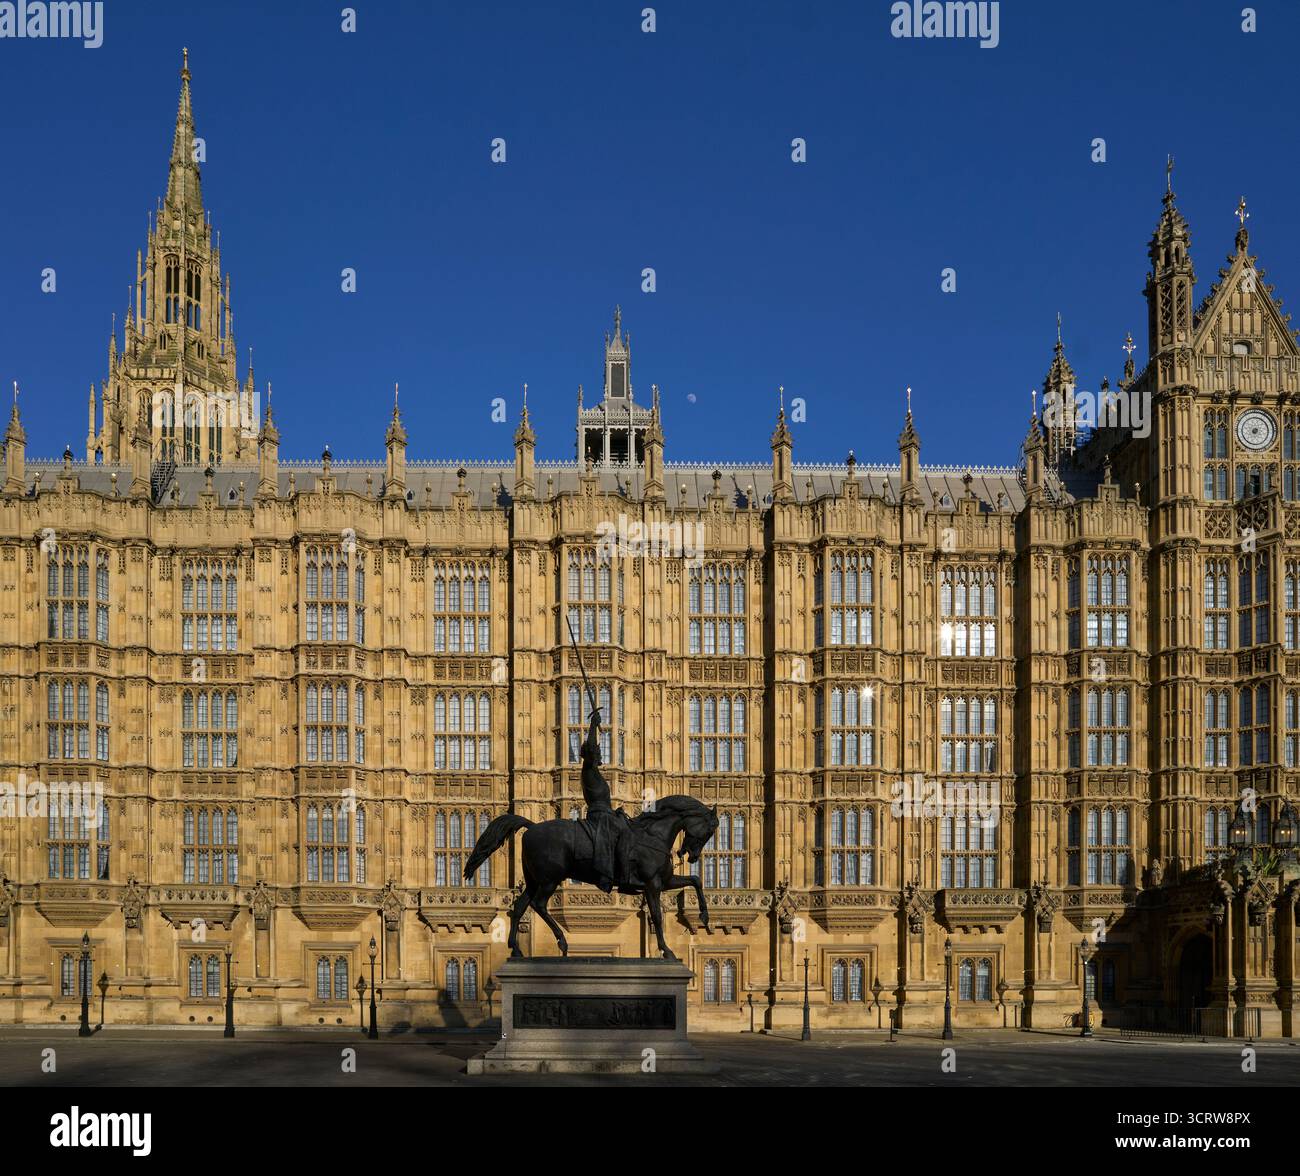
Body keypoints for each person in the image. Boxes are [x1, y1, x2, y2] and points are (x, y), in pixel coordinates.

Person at [579, 708, 631, 892]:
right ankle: (621, 877)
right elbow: (591, 748)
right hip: (599, 816)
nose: (599, 754)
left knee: (627, 825)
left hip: (606, 813)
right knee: (625, 833)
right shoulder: (589, 770)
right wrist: (593, 725)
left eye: (599, 753)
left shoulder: (596, 774)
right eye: (597, 754)